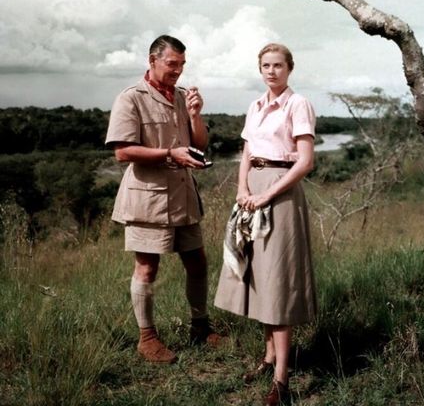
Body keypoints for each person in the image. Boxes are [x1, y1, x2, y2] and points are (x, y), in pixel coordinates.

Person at [106, 34, 220, 364]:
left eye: (182, 65)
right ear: (152, 60)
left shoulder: (183, 97)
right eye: (172, 64)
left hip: (183, 194)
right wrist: (170, 153)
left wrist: (196, 116)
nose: (178, 71)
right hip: (148, 198)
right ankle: (147, 338)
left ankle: (201, 328)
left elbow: (199, 145)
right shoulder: (131, 98)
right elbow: (122, 151)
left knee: (197, 262)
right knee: (146, 267)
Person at [214, 43, 317, 405]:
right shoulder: (255, 105)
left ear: (289, 68)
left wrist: (266, 194)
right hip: (252, 192)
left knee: (277, 282)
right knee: (257, 275)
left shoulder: (297, 104)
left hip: (281, 193)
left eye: (278, 65)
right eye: (265, 65)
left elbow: (305, 162)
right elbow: (247, 153)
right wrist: (243, 188)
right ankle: (269, 356)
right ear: (260, 70)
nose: (271, 71)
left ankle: (282, 382)